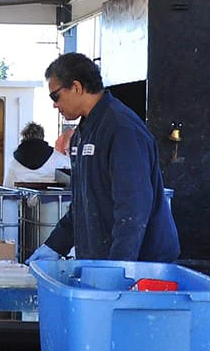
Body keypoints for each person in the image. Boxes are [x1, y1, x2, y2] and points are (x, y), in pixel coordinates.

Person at [28, 52, 180, 263]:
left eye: (55, 96)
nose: (55, 105)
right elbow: (82, 205)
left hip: (142, 266)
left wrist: (118, 267)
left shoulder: (121, 129)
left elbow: (133, 208)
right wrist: (54, 246)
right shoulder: (84, 131)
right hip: (101, 261)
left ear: (77, 87)